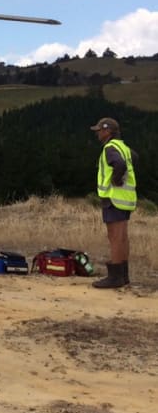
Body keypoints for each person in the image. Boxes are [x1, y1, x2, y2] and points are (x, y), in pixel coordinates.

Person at [89, 117, 138, 289]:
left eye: (99, 130)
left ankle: (115, 277)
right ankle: (123, 276)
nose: (97, 134)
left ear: (107, 131)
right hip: (126, 198)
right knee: (122, 237)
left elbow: (120, 164)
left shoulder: (110, 148)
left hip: (113, 198)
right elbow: (134, 158)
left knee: (115, 237)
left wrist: (116, 179)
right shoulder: (123, 147)